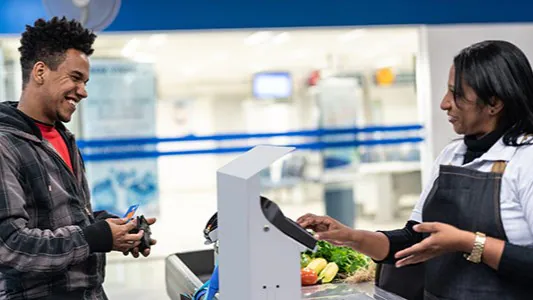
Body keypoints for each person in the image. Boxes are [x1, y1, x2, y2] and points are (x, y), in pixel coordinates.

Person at [298, 40, 533, 300]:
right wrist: (352, 237)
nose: (445, 104)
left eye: (457, 94)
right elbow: (413, 239)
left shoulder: (526, 160)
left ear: (494, 103)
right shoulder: (451, 155)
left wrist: (467, 242)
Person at [0, 17, 157, 300]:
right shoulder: (5, 144)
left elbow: (64, 218)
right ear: (39, 72)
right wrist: (94, 237)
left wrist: (114, 228)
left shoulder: (64, 138)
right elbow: (10, 245)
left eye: (85, 82)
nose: (83, 91)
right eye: (75, 78)